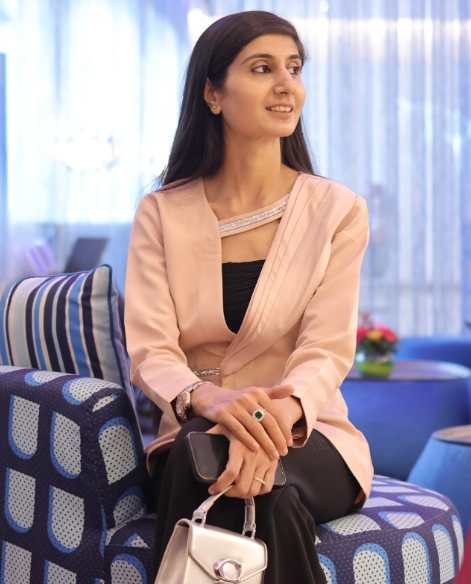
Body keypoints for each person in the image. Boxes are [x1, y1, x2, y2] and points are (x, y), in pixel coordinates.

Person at [125, 10, 374, 584]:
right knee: (249, 488)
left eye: (294, 68)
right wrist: (210, 402)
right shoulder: (161, 213)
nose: (287, 84)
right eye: (263, 69)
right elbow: (151, 350)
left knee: (209, 462)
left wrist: (269, 421)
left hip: (310, 433)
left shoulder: (338, 210)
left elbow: (326, 350)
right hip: (196, 426)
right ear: (212, 94)